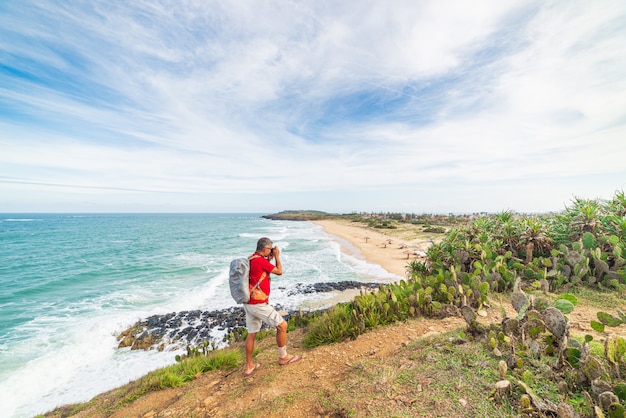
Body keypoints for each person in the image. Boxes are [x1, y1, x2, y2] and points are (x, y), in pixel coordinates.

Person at [243, 237, 301, 376]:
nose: (272, 250)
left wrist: (269, 257)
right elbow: (279, 271)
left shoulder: (251, 259)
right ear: (265, 249)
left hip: (248, 303)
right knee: (282, 326)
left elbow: (261, 270)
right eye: (270, 248)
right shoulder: (260, 261)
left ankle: (249, 366)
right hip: (258, 304)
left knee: (251, 334)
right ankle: (283, 357)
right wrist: (277, 257)